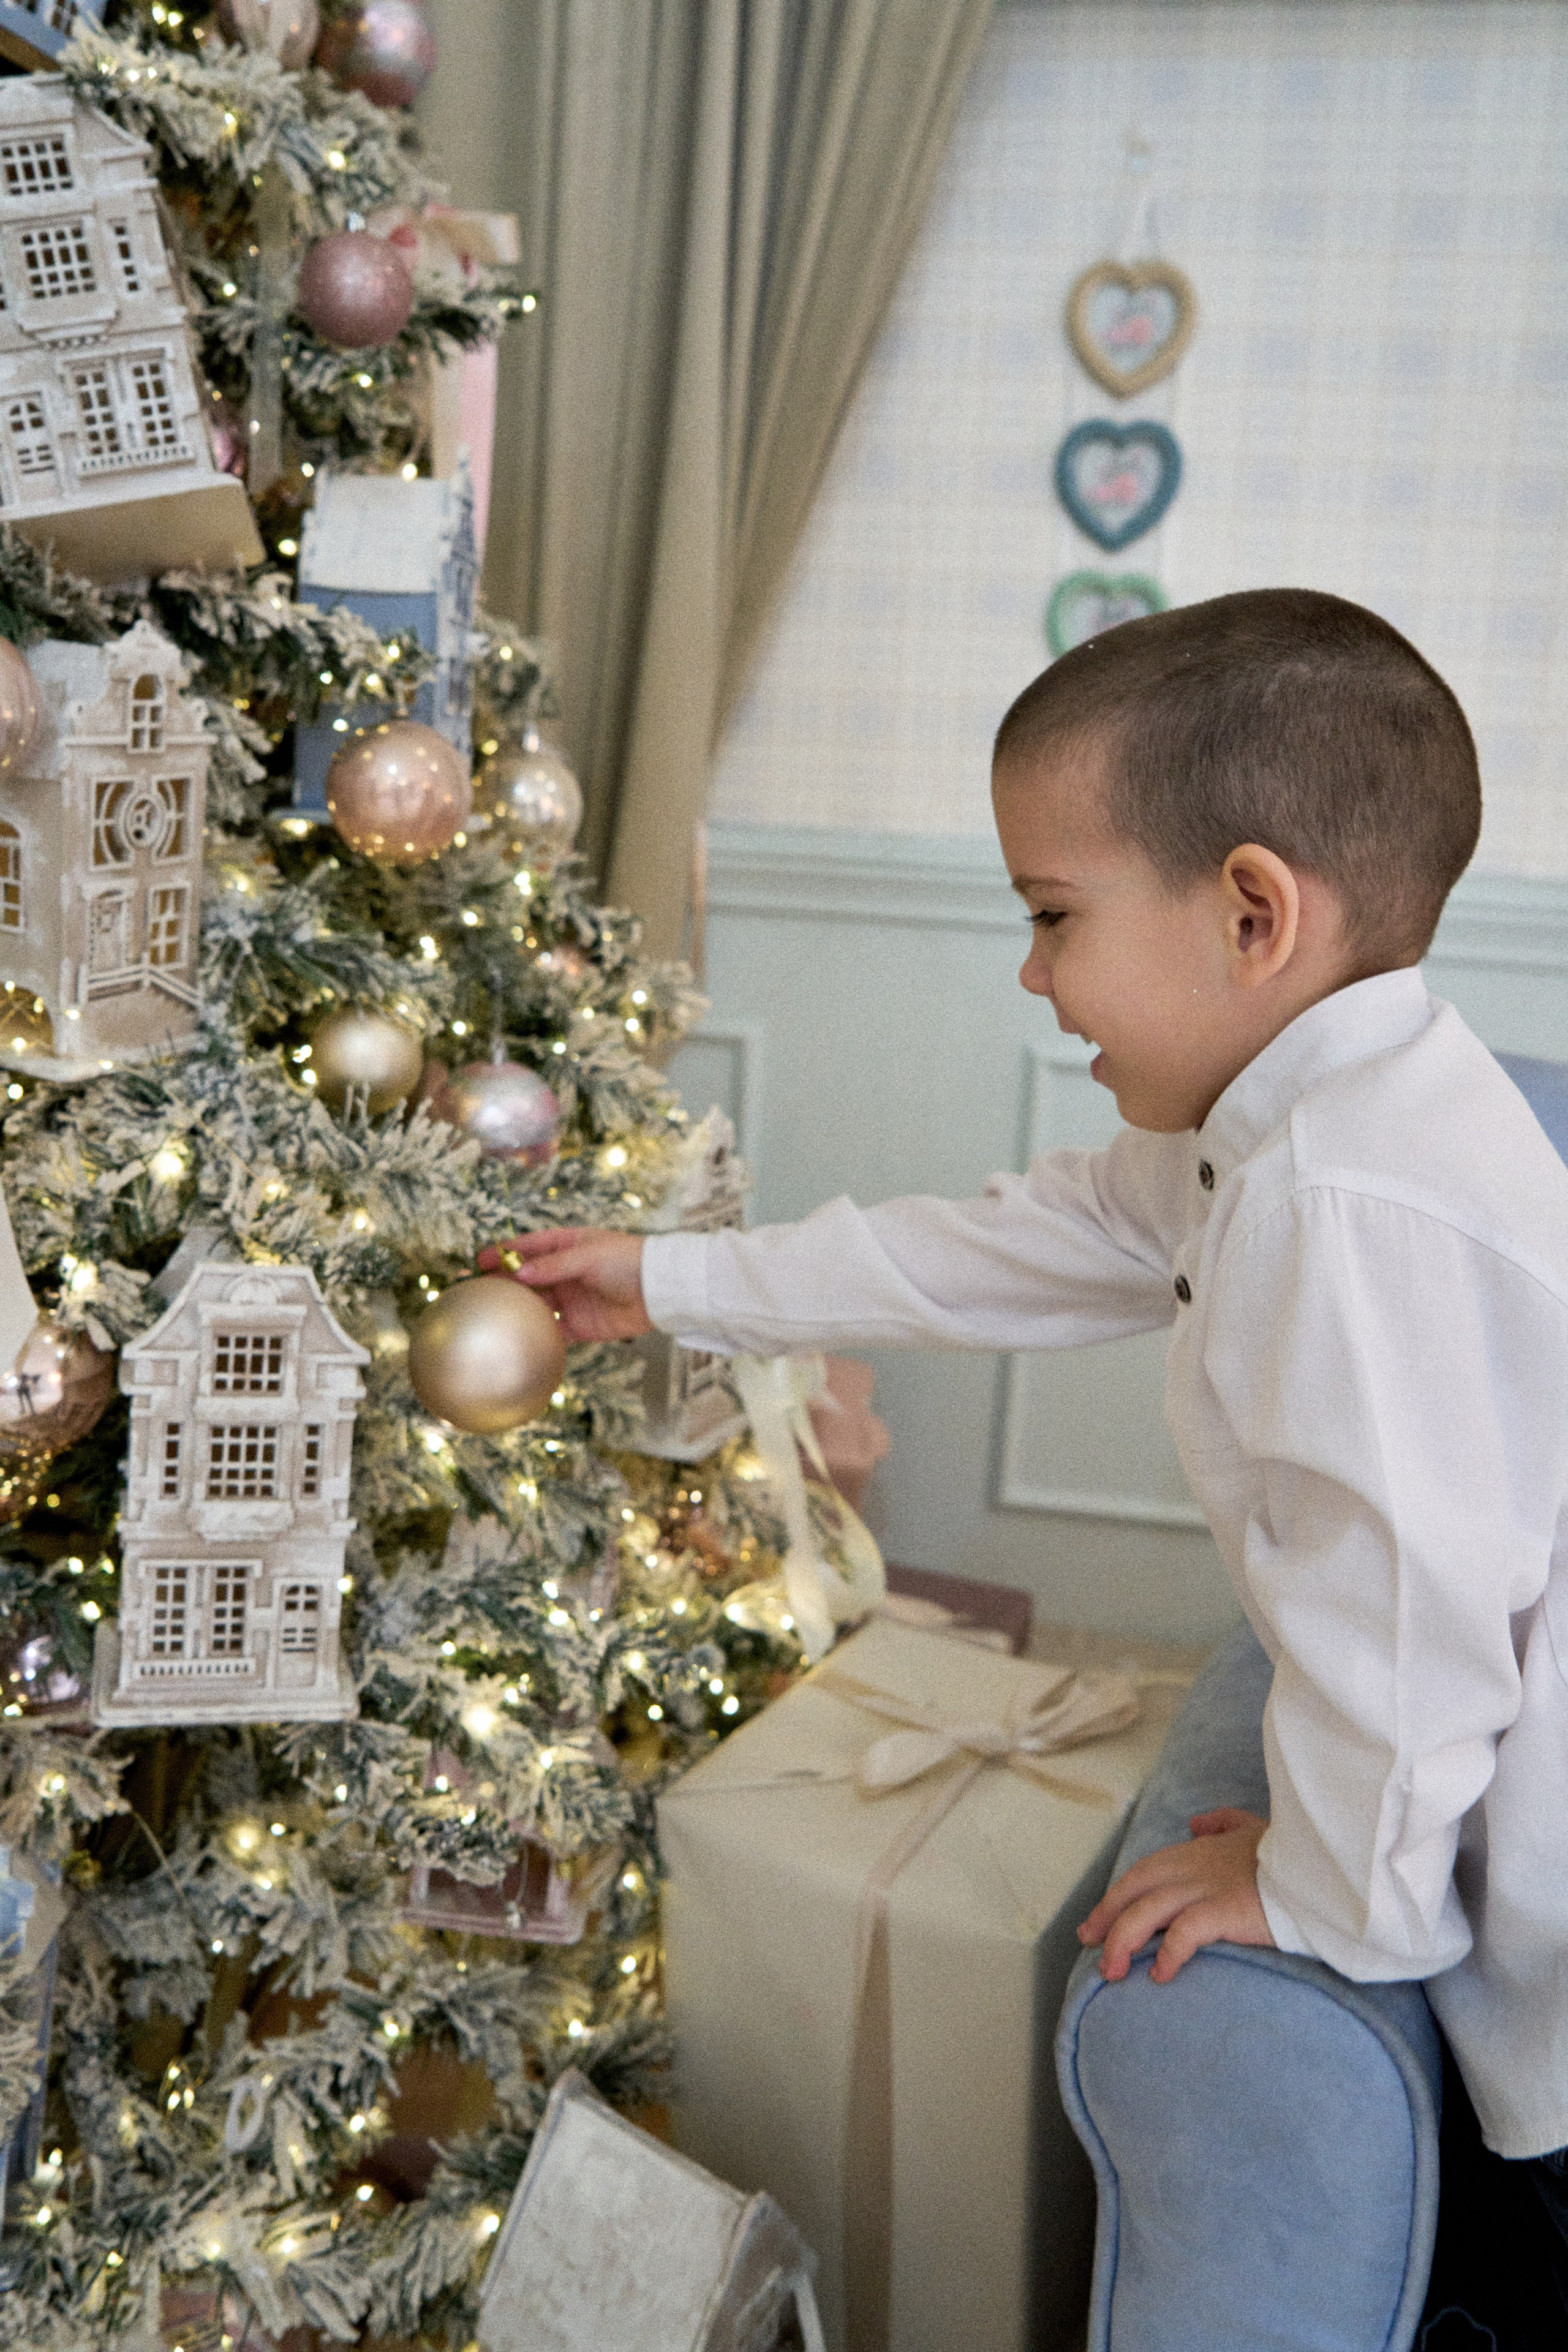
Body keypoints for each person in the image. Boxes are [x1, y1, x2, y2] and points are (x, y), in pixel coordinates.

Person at [482, 587, 1568, 2334]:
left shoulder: (1354, 1206)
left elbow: (1416, 1614)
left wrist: (1311, 1890)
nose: (1033, 971)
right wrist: (674, 1281)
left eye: (1056, 916)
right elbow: (1006, 1248)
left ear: (1252, 913)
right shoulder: (1300, 1121)